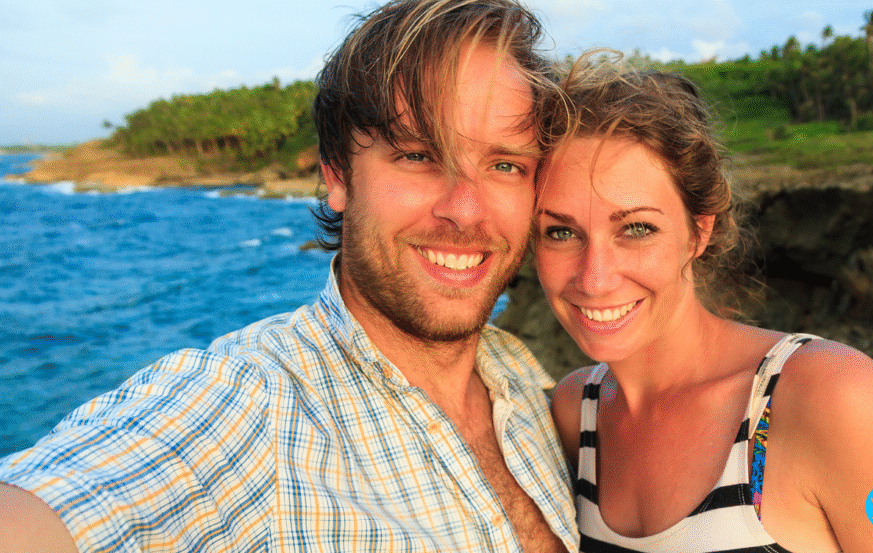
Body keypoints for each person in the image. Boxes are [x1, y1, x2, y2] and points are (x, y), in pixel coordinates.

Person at [0, 1, 578, 551]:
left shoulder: (526, 381)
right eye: (418, 156)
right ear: (337, 177)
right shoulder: (251, 407)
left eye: (504, 165)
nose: (466, 208)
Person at [536, 58, 873, 552]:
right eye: (560, 231)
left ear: (697, 233)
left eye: (637, 228)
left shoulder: (834, 399)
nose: (595, 278)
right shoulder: (577, 413)